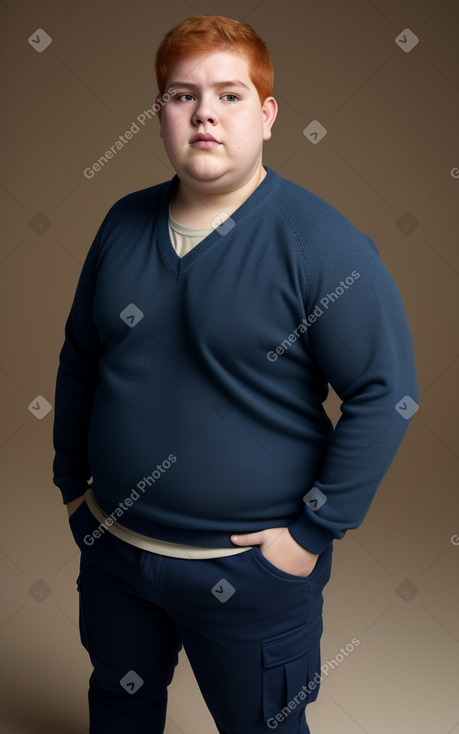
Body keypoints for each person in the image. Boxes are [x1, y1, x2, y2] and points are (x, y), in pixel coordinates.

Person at [53, 15, 418, 734]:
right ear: (160, 115)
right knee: (119, 710)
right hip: (116, 557)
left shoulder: (319, 244)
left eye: (229, 95)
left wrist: (310, 536)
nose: (205, 116)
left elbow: (386, 395)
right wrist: (73, 489)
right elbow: (80, 358)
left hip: (245, 575)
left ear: (267, 114)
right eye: (183, 97)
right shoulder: (121, 223)